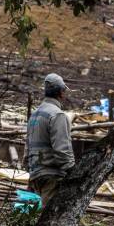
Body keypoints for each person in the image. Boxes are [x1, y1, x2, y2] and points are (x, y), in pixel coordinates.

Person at [26, 73, 75, 204]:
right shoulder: (57, 115)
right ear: (61, 92)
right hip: (51, 175)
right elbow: (62, 149)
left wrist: (30, 170)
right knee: (46, 218)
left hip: (36, 173)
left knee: (35, 215)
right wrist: (73, 171)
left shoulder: (35, 115)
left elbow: (28, 146)